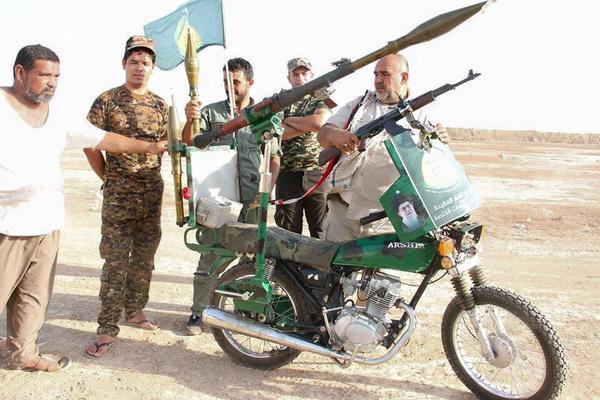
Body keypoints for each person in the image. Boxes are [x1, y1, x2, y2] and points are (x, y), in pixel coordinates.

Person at [0, 44, 166, 372]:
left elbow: (103, 139)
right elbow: (97, 147)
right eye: (44, 75)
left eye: (57, 76)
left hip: (46, 222)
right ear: (20, 73)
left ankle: (24, 354)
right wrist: (108, 175)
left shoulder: (57, 114)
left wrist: (148, 145)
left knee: (34, 297)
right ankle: (101, 328)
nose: (52, 82)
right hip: (7, 224)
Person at [83, 36, 168, 358]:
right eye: (133, 61)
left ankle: (135, 311)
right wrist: (107, 177)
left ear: (152, 67)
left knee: (144, 260)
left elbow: (177, 142)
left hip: (150, 194)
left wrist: (189, 117)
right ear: (124, 64)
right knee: (116, 262)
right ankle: (106, 327)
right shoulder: (107, 101)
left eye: (145, 62)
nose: (139, 67)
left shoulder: (160, 105)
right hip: (119, 197)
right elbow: (90, 143)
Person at [182, 58, 280, 335]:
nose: (230, 87)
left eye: (235, 82)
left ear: (250, 82)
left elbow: (275, 159)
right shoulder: (211, 113)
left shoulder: (264, 115)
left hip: (251, 198)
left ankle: (242, 311)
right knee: (211, 255)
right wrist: (190, 120)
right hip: (217, 199)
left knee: (251, 259)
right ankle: (199, 312)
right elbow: (191, 142)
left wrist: (267, 195)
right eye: (225, 82)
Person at [317, 53, 448, 241]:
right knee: (330, 266)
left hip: (388, 218)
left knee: (378, 270)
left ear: (403, 77)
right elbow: (322, 135)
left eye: (385, 74)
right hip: (344, 211)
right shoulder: (359, 105)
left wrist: (440, 139)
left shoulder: (422, 116)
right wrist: (333, 134)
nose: (378, 80)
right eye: (375, 74)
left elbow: (435, 163)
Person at [274, 58, 331, 238]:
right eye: (295, 74)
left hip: (316, 173)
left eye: (304, 73)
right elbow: (277, 132)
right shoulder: (280, 100)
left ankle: (320, 267)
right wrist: (304, 125)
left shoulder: (319, 99)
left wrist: (288, 121)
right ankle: (288, 267)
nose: (300, 77)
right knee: (288, 232)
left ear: (311, 75)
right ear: (289, 77)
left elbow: (318, 122)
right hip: (288, 173)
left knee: (321, 229)